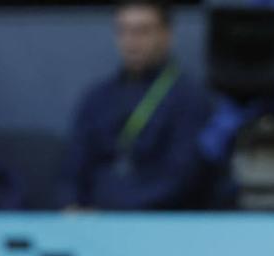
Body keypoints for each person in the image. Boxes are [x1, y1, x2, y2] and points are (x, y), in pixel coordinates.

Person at [58, 1, 211, 210]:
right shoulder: (97, 97)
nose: (131, 41)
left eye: (142, 31)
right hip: (91, 222)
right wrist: (70, 205)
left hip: (157, 220)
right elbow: (71, 170)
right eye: (123, 31)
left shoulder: (189, 99)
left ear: (166, 35)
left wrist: (114, 212)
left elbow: (181, 179)